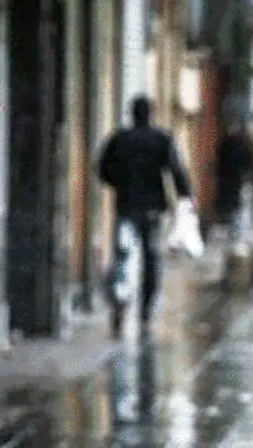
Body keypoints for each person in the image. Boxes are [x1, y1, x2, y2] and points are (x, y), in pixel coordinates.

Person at [97, 95, 194, 338]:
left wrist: (119, 183)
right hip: (152, 209)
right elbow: (175, 169)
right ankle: (145, 314)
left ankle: (119, 305)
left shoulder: (120, 139)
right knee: (151, 262)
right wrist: (185, 195)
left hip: (126, 206)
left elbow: (102, 169)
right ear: (151, 113)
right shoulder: (161, 139)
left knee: (122, 258)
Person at [214, 120, 253, 247]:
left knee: (237, 206)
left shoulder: (243, 144)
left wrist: (247, 175)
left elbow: (249, 161)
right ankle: (229, 227)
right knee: (229, 205)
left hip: (237, 179)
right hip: (227, 178)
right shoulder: (226, 143)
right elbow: (219, 158)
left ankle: (235, 231)